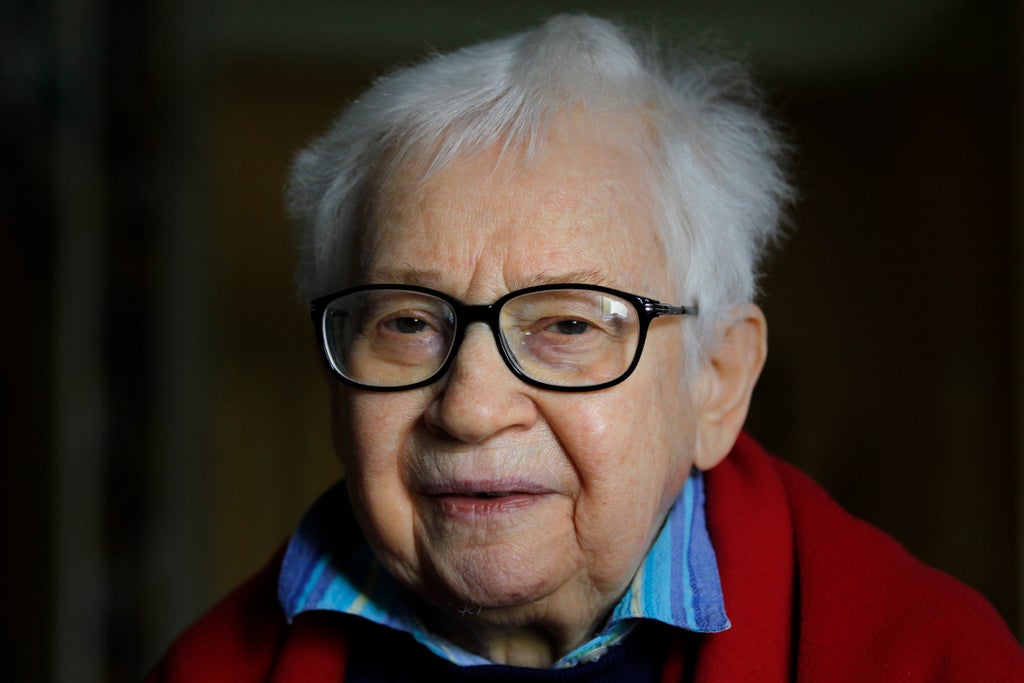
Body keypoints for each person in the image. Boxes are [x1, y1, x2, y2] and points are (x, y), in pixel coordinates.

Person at [149, 13, 1023, 681]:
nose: (471, 408)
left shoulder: (935, 660)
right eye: (409, 322)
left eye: (568, 324)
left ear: (716, 381)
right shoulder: (204, 669)